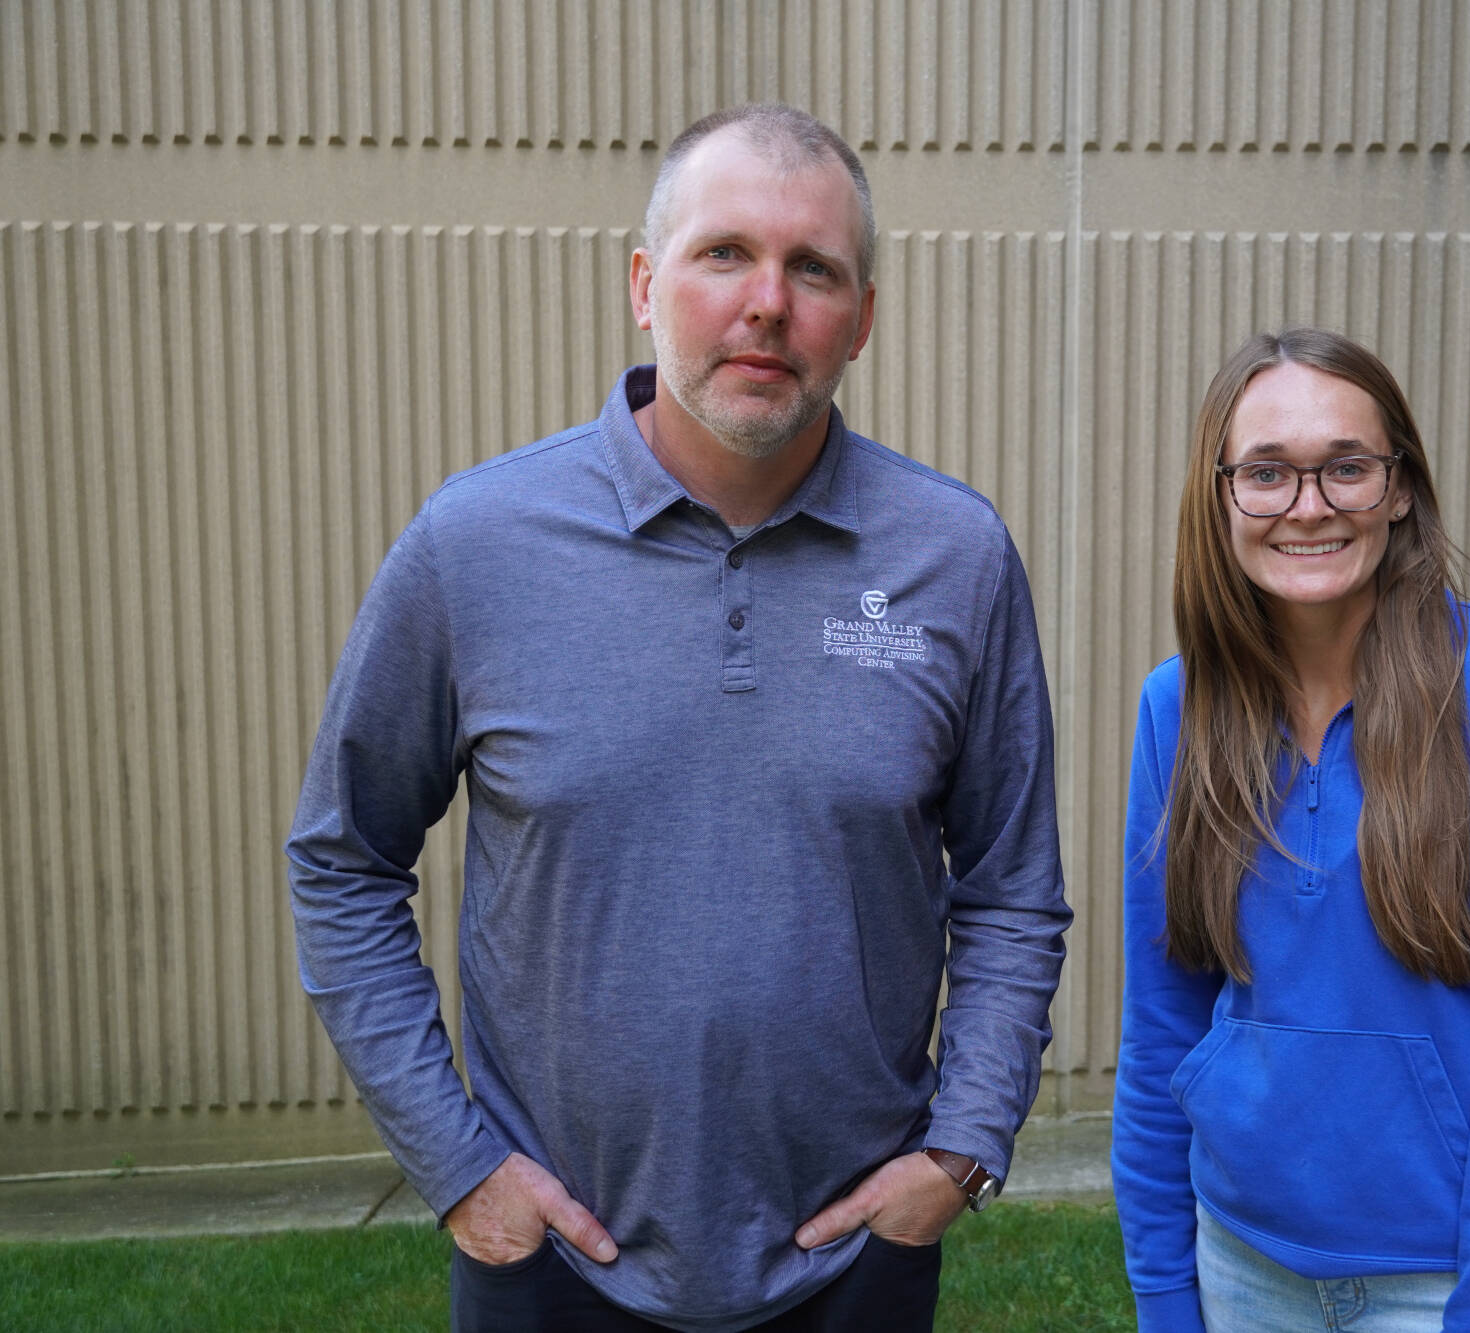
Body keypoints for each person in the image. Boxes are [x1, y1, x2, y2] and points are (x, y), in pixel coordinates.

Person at [287, 103, 1069, 1333]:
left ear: (860, 316)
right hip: (547, 1262)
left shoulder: (954, 556)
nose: (767, 302)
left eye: (813, 268)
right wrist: (458, 1168)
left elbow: (1012, 890)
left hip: (854, 1263)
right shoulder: (476, 545)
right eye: (724, 254)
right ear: (646, 286)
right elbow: (342, 863)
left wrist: (959, 1151)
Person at [1111, 328, 1470, 1332]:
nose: (1308, 506)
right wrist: (1166, 1292)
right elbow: (1161, 1022)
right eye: (1266, 472)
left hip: (1448, 1279)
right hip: (1241, 1265)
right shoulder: (1179, 709)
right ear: (1220, 496)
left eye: (1345, 466)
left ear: (1397, 488)